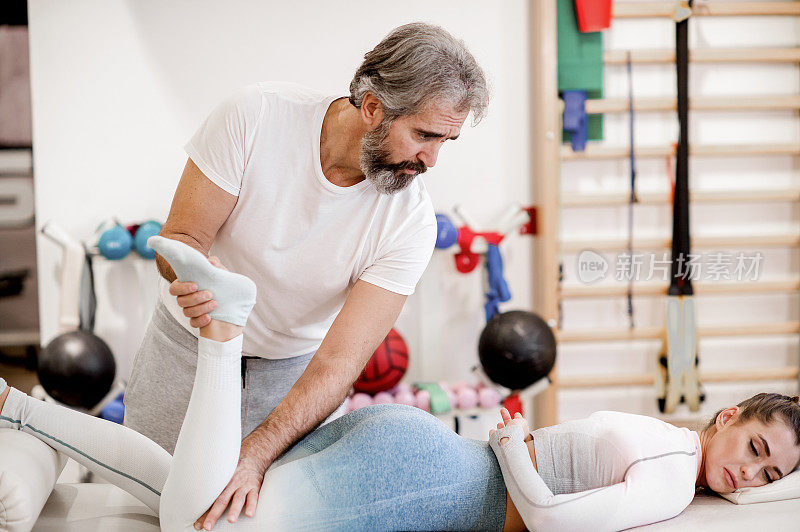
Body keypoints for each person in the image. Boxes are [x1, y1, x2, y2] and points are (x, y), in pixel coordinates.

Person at [2, 238, 799, 531]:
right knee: (201, 527)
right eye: (758, 447)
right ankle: (226, 333)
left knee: (195, 492)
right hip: (437, 489)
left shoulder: (662, 435)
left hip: (415, 454)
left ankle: (15, 409)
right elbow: (551, 520)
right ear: (727, 413)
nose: (750, 474)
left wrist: (514, 448)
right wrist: (515, 443)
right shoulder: (670, 474)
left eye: (769, 476)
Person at [123, 21, 489, 529]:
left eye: (445, 141)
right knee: (156, 508)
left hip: (292, 376)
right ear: (373, 106)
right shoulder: (255, 116)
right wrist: (198, 283)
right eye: (424, 135)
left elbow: (339, 364)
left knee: (266, 519)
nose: (431, 159)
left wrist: (257, 452)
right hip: (188, 347)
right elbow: (180, 239)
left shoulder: (410, 221)